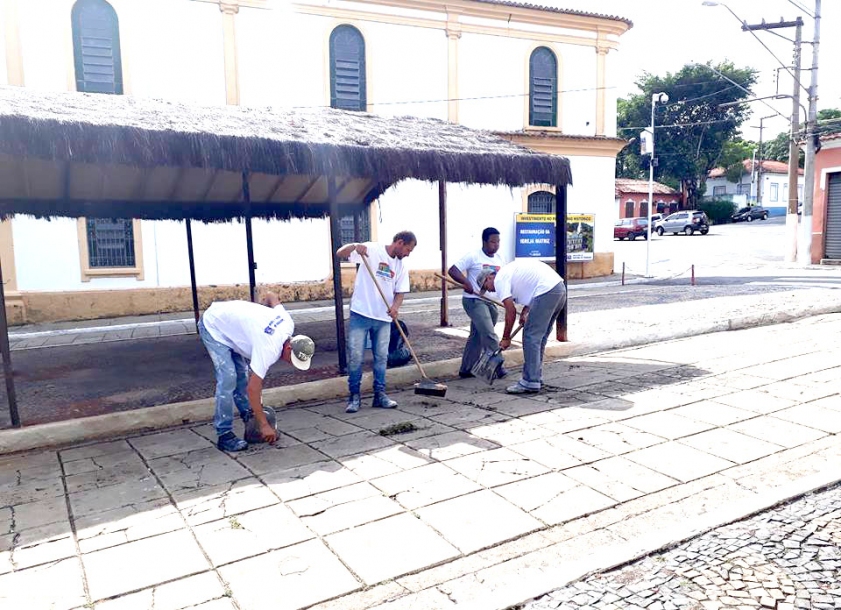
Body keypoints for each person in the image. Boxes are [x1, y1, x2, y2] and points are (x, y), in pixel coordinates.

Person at [198, 297, 316, 451]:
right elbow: (253, 388)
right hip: (213, 325)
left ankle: (249, 415)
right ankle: (224, 434)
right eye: (293, 360)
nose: (292, 363)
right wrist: (264, 425)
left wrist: (261, 305)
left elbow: (272, 296)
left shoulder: (288, 324)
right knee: (228, 378)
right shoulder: (269, 349)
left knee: (242, 375)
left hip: (229, 326)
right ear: (289, 349)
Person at [336, 231, 416, 413]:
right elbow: (340, 253)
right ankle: (354, 396)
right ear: (400, 242)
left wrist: (395, 307)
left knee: (381, 358)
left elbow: (400, 292)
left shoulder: (401, 266)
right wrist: (355, 246)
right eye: (408, 249)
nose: (408, 254)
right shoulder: (371, 249)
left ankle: (380, 395)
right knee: (355, 357)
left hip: (383, 318)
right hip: (361, 314)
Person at [477, 259, 566, 394]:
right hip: (558, 289)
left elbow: (511, 312)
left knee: (531, 337)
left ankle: (530, 381)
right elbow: (532, 288)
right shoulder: (510, 273)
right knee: (539, 337)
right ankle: (535, 376)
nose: (489, 290)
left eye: (485, 286)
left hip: (546, 291)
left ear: (490, 277)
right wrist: (526, 311)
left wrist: (506, 338)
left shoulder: (500, 280)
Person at [448, 227, 506, 378]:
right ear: (485, 242)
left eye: (498, 241)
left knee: (477, 335)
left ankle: (466, 368)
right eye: (493, 242)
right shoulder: (473, 256)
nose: (496, 245)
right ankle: (498, 365)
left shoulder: (500, 259)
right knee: (489, 334)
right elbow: (453, 270)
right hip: (474, 300)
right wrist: (466, 282)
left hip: (491, 302)